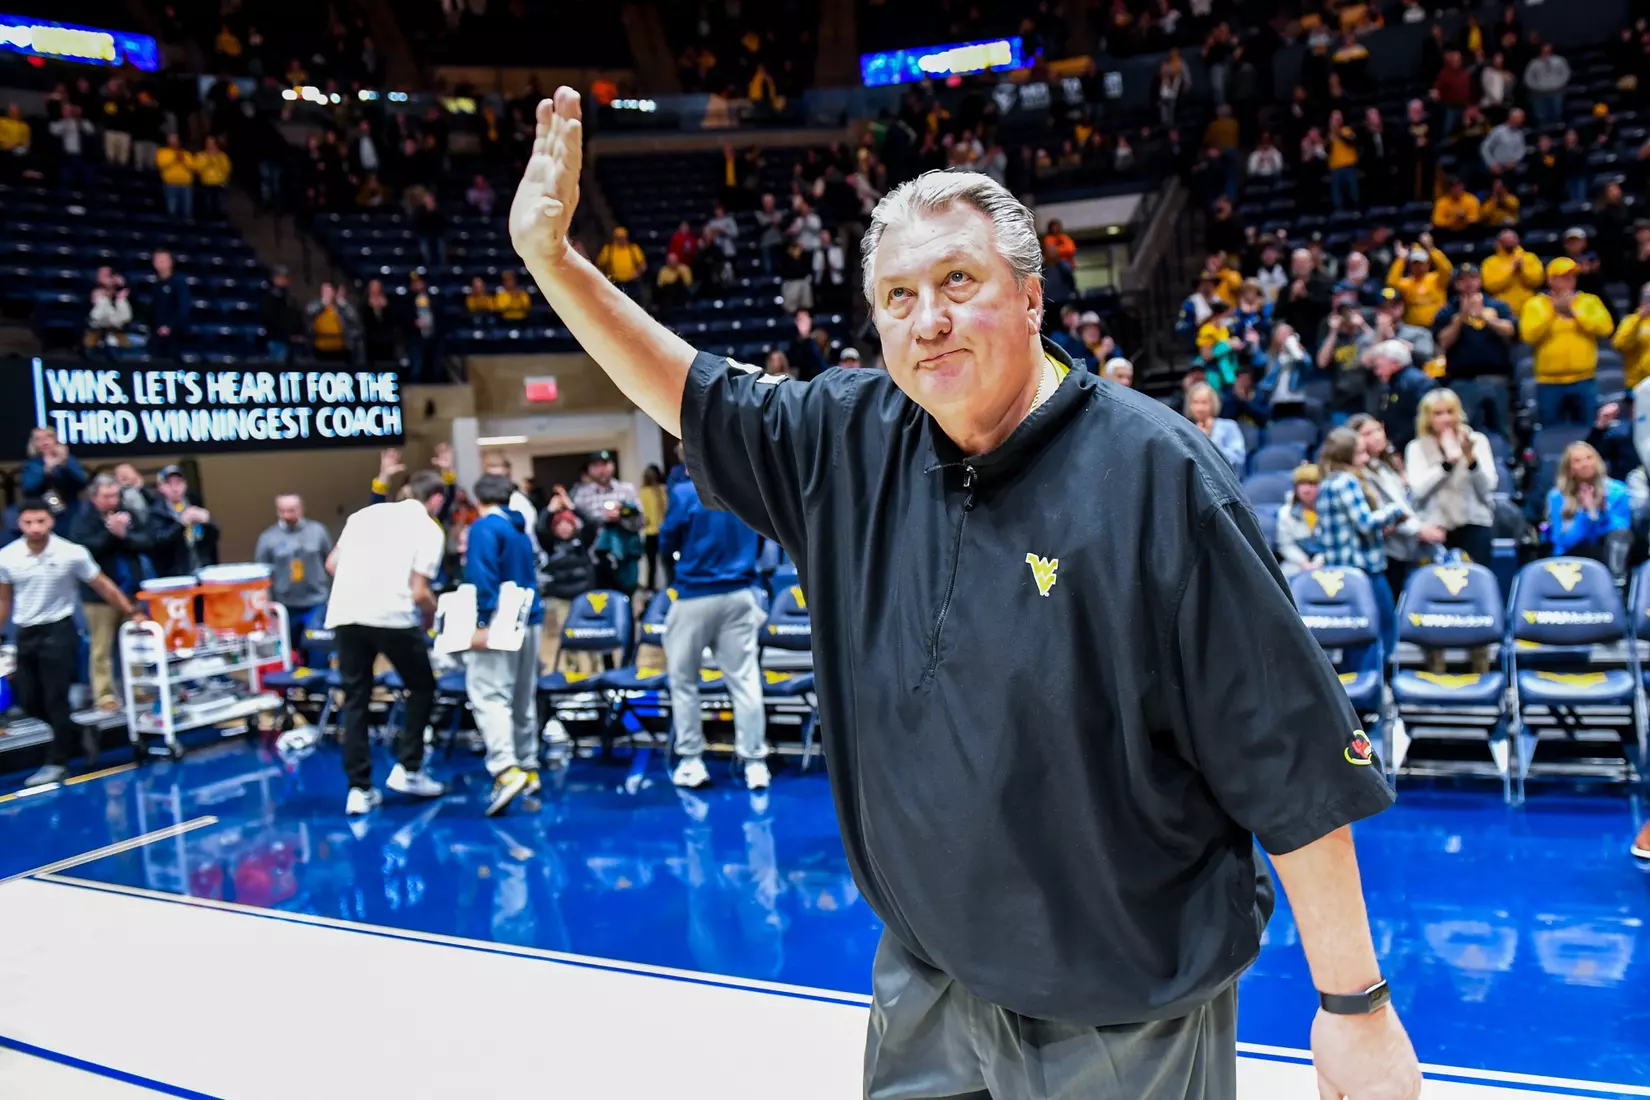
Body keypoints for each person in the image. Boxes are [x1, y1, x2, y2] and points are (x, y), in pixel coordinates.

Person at [510, 89, 1421, 1100]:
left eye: (959, 280)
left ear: (1033, 299)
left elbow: (1286, 758)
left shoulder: (1159, 478)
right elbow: (688, 386)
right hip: (927, 980)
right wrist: (555, 258)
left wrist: (1356, 1006)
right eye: (898, 297)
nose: (929, 319)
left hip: (1119, 1005)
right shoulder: (848, 438)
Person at [324, 471, 449, 815]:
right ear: (435, 499)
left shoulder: (363, 516)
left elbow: (332, 564)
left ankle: (359, 790)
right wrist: (439, 613)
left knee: (355, 700)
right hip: (392, 615)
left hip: (346, 613)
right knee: (422, 687)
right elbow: (420, 591)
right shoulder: (428, 527)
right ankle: (409, 768)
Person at [0, 499, 137, 788]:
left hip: (60, 631)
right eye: (28, 522)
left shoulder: (71, 553)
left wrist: (131, 611)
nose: (35, 528)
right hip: (26, 632)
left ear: (51, 521)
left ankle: (57, 762)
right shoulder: (7, 557)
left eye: (41, 521)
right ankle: (80, 732)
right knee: (27, 699)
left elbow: (103, 584)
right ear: (19, 524)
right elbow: (4, 600)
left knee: (56, 698)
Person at [658, 459, 770, 791]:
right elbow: (763, 538)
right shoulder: (747, 490)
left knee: (683, 682)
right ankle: (755, 764)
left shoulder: (684, 492)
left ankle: (692, 762)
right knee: (746, 681)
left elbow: (667, 541)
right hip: (740, 594)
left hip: (694, 596)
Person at [463, 474, 544, 816]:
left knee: (488, 695)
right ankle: (528, 768)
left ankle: (505, 768)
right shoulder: (519, 530)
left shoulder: (484, 528)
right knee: (522, 696)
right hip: (530, 617)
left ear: (476, 498)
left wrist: (481, 621)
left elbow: (482, 576)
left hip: (499, 619)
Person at [69, 475, 158, 711]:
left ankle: (138, 689)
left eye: (115, 495)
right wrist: (110, 534)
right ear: (94, 497)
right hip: (99, 597)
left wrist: (124, 535)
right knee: (101, 648)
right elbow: (84, 551)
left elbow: (148, 541)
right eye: (107, 496)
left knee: (136, 643)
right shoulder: (83, 519)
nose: (113, 500)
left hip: (131, 591)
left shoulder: (128, 514)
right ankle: (105, 695)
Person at [1404, 389, 1498, 566]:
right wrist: (1446, 465)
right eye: (1438, 414)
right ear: (1428, 418)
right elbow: (1418, 491)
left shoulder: (1477, 441)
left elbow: (1488, 487)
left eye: (1450, 412)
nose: (1446, 418)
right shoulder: (1416, 448)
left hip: (1475, 524)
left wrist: (1471, 460)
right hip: (1435, 529)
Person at [254, 494, 334, 656]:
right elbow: (261, 575)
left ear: (301, 509)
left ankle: (319, 678)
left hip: (317, 600)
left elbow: (331, 561)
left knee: (316, 647)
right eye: (282, 511)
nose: (287, 515)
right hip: (286, 604)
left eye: (291, 510)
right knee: (292, 651)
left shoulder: (318, 531)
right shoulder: (268, 538)